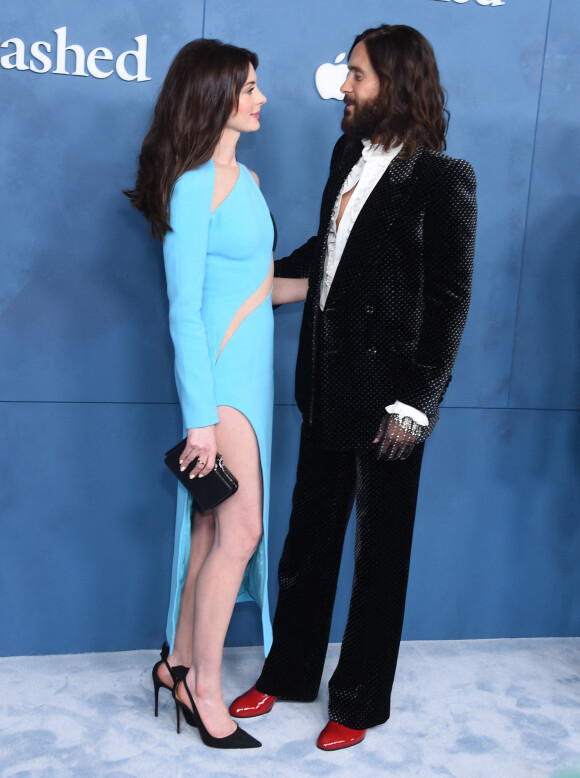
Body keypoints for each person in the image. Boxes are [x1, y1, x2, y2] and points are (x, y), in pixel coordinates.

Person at [229, 24, 477, 751]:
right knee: (308, 539)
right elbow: (328, 253)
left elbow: (451, 299)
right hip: (326, 384)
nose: (344, 86)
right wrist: (252, 275)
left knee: (378, 557)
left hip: (390, 402)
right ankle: (289, 672)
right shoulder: (347, 153)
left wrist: (417, 405)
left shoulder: (444, 177)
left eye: (358, 75)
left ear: (394, 85)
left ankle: (361, 700)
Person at [124, 38, 274, 750]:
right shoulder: (192, 183)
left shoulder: (243, 178)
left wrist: (346, 283)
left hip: (252, 375)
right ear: (214, 95)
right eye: (247, 87)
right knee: (237, 533)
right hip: (222, 385)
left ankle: (175, 666)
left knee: (215, 532)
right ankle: (203, 687)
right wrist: (201, 422)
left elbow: (262, 288)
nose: (260, 98)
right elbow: (183, 309)